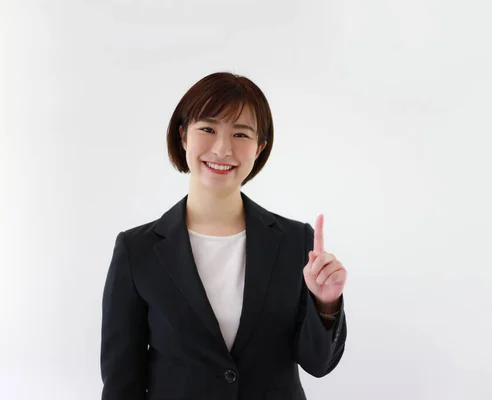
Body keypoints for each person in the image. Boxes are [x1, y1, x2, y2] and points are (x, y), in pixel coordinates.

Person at [100, 72, 348, 400]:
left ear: (259, 148)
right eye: (207, 129)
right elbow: (122, 383)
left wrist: (325, 303)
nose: (222, 148)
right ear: (183, 136)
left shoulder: (294, 242)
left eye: (241, 134)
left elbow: (318, 364)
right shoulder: (137, 250)